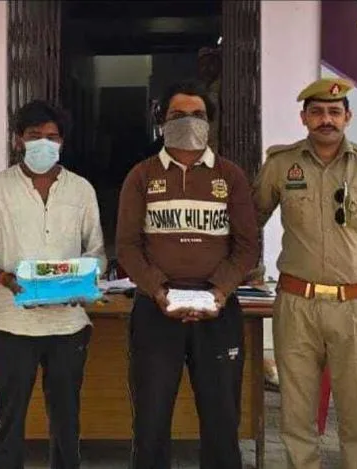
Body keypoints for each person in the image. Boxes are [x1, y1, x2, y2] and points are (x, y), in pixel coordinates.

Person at [252, 78, 357, 469]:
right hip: (296, 304)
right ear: (304, 117)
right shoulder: (280, 164)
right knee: (296, 409)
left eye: (335, 112)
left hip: (354, 306)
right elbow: (252, 218)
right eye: (318, 112)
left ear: (348, 117)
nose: (327, 119)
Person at [116, 80, 260, 469]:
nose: (187, 121)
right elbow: (127, 246)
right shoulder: (142, 175)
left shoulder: (230, 176)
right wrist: (158, 290)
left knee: (221, 418)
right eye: (177, 115)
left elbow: (247, 246)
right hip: (156, 310)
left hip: (218, 312)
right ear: (161, 121)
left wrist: (219, 291)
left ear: (210, 122)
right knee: (150, 419)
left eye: (197, 115)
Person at [0, 100, 106, 469]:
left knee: (66, 422)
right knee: (9, 420)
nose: (44, 143)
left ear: (63, 142)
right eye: (34, 135)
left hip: (68, 325)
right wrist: (3, 277)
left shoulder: (81, 190)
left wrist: (84, 280)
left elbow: (97, 252)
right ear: (18, 140)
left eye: (52, 137)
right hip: (13, 324)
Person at [197, 47, 222, 152]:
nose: (207, 69)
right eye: (202, 65)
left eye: (211, 63)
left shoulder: (225, 86)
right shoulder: (200, 91)